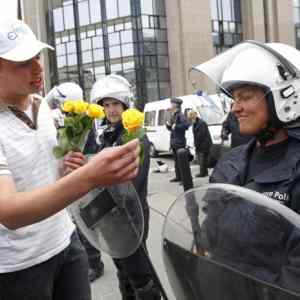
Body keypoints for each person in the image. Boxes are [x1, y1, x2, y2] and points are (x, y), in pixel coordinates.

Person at [0, 18, 140, 300]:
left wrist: (66, 169)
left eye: (37, 56)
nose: (38, 67)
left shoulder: (41, 108)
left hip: (66, 243)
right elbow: (10, 212)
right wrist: (87, 178)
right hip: (17, 266)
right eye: (23, 62)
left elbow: (44, 175)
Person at [192, 41, 300, 290]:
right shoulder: (231, 160)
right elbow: (210, 232)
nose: (235, 108)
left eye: (245, 97)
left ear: (285, 98)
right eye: (234, 99)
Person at [65, 74, 161, 299]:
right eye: (106, 105)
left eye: (116, 104)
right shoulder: (106, 136)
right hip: (111, 218)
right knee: (122, 270)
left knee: (139, 275)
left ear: (126, 104)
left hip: (131, 217)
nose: (111, 110)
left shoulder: (135, 137)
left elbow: (130, 185)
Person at [46, 81, 105, 281]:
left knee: (86, 223)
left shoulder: (84, 121)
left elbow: (86, 152)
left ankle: (95, 263)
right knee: (79, 223)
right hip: (72, 178)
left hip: (83, 178)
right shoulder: (72, 119)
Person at [166, 98, 189, 182]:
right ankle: (178, 177)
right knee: (176, 162)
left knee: (181, 162)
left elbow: (186, 125)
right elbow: (171, 128)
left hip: (179, 142)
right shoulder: (174, 115)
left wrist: (177, 126)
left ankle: (184, 179)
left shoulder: (180, 115)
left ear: (175, 105)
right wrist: (168, 125)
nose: (170, 105)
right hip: (174, 142)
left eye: (171, 103)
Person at [187, 110, 212, 177]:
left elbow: (201, 135)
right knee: (202, 158)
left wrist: (196, 144)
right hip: (201, 143)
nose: (190, 119)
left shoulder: (201, 123)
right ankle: (204, 172)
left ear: (194, 115)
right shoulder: (195, 123)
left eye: (191, 116)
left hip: (204, 144)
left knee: (202, 159)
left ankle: (202, 173)